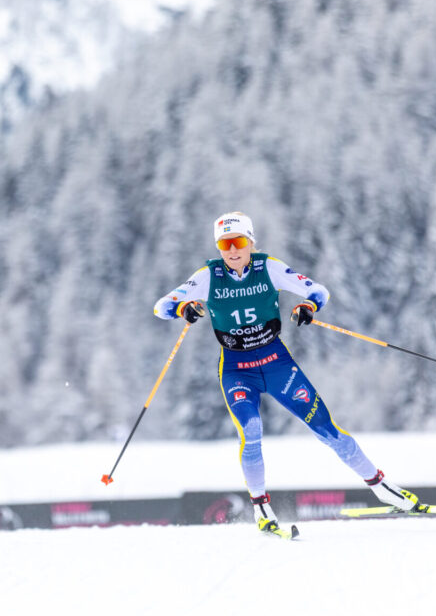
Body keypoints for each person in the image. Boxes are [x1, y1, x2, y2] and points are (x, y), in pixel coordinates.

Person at [153, 212, 419, 537]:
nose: (232, 250)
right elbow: (162, 306)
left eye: (238, 242)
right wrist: (183, 308)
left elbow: (318, 291)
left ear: (250, 242)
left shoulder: (269, 268)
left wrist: (307, 307)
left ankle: (382, 487)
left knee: (326, 428)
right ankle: (262, 509)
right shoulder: (209, 276)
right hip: (237, 371)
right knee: (251, 432)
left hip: (277, 364)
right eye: (225, 244)